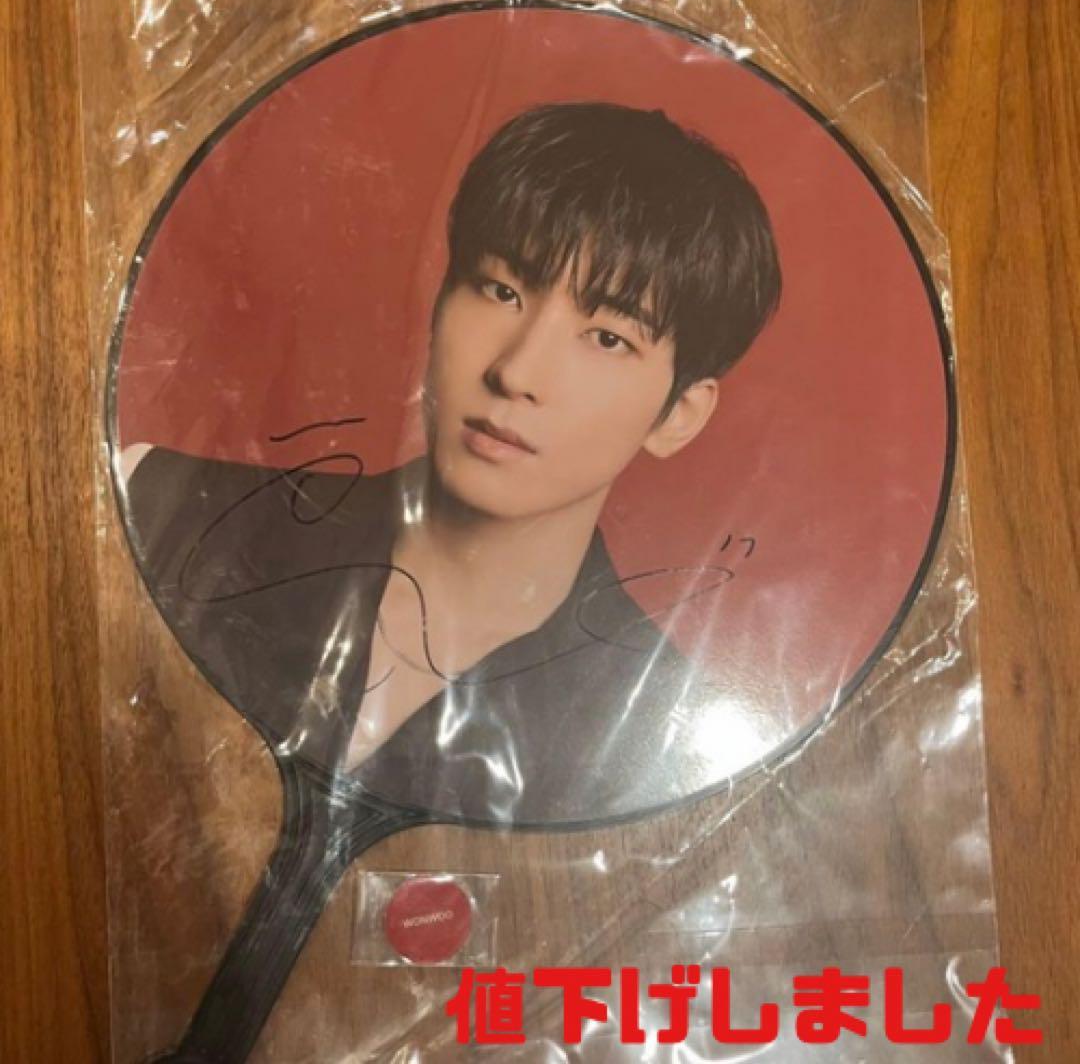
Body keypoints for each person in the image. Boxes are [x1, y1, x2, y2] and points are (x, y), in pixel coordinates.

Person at [123, 102, 782, 822]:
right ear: (440, 298)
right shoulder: (157, 506)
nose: (517, 372)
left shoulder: (664, 735)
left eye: (607, 338)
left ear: (678, 414)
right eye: (501, 290)